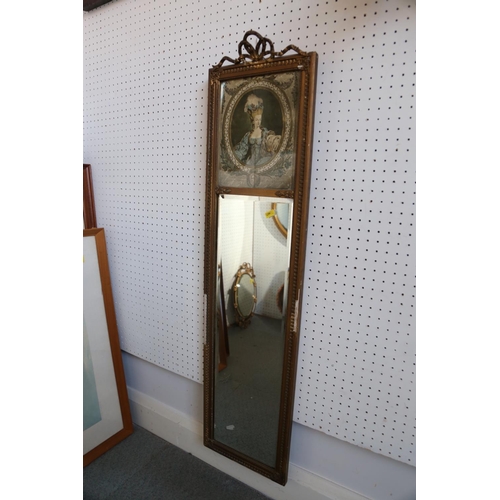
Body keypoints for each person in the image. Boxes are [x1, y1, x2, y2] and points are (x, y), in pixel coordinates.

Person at [233, 94, 281, 167]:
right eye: (256, 120)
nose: (258, 122)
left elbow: (271, 140)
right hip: (251, 162)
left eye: (260, 120)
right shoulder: (248, 135)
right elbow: (241, 150)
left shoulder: (264, 132)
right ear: (253, 121)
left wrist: (275, 142)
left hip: (263, 160)